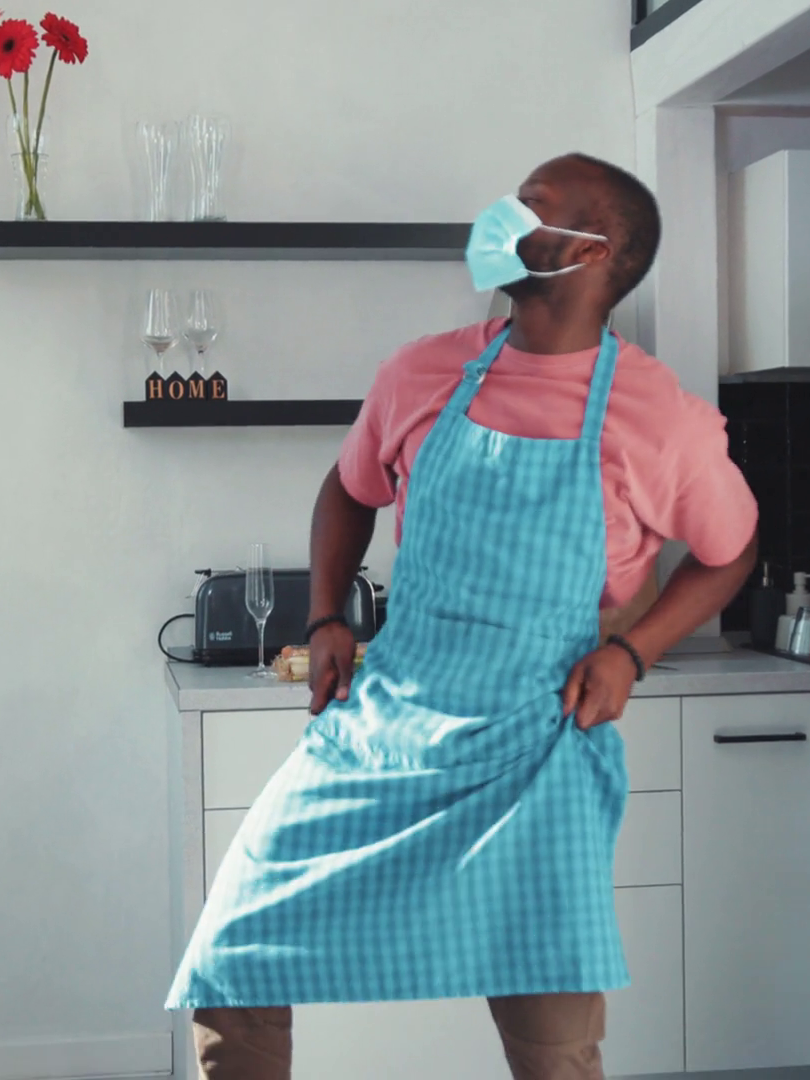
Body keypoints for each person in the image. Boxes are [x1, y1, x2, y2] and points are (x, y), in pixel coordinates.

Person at [166, 154, 760, 1080]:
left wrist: (632, 655)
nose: (502, 216)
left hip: (539, 740)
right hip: (390, 723)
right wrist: (326, 617)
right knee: (235, 951)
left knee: (552, 1039)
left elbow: (733, 551)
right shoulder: (423, 371)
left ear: (591, 252)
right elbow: (349, 487)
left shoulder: (659, 418)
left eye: (532, 206)